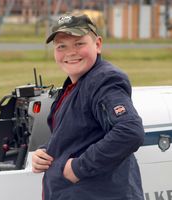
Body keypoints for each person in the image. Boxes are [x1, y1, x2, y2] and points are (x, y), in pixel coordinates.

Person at [32, 13, 145, 199]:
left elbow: (130, 131)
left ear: (98, 44)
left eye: (79, 44)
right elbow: (81, 134)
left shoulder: (104, 81)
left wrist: (78, 167)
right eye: (61, 46)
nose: (70, 52)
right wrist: (47, 152)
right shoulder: (75, 85)